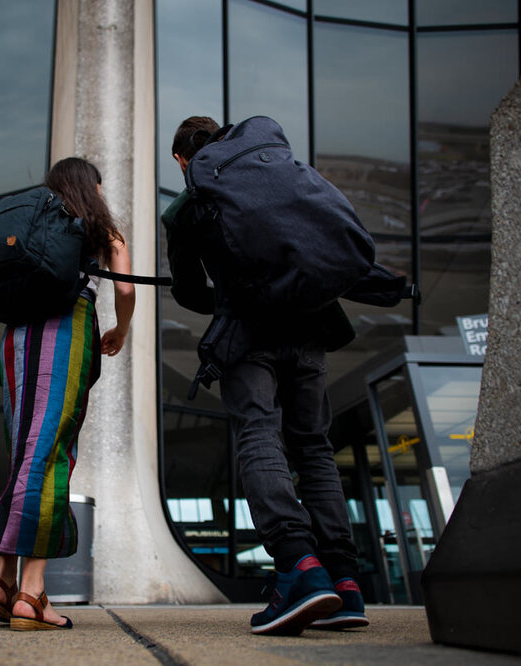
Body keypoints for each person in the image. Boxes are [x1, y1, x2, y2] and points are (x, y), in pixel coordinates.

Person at [163, 116, 368, 635]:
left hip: (249, 333)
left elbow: (188, 291)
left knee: (258, 434)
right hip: (308, 325)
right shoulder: (275, 169)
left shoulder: (187, 207)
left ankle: (298, 567)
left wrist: (229, 301)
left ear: (183, 160)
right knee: (313, 447)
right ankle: (344, 581)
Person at [0, 157, 135, 631]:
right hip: (67, 334)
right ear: (91, 186)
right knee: (51, 452)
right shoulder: (98, 226)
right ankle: (33, 595)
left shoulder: (35, 220)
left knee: (25, 454)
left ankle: (2, 583)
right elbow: (124, 288)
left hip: (17, 339)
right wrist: (122, 329)